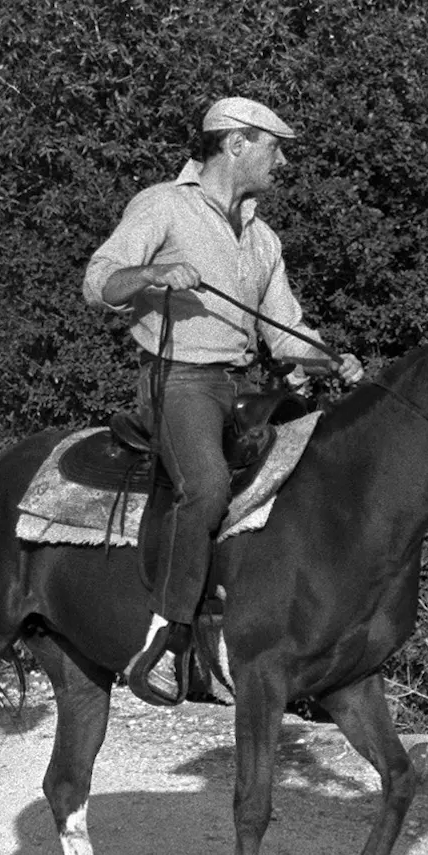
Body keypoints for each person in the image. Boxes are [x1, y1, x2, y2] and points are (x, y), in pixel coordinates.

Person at [83, 96, 365, 706]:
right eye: (274, 146)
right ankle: (165, 639)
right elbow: (99, 281)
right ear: (235, 144)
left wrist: (327, 358)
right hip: (178, 380)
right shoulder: (162, 206)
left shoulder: (264, 239)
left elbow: (284, 331)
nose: (282, 160)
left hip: (243, 390)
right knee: (207, 485)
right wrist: (152, 276)